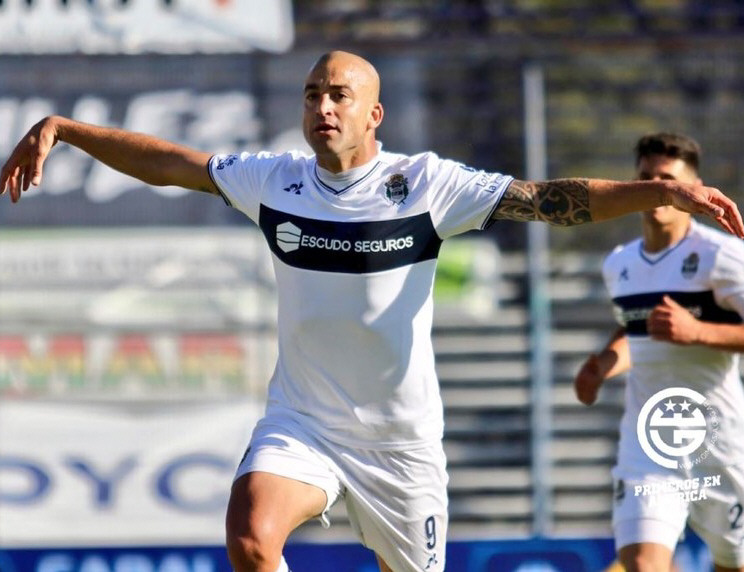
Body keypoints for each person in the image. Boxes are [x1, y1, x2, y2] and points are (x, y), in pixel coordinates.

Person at [2, 53, 742, 572]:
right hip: (304, 423)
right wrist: (67, 129)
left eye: (338, 95)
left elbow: (552, 201)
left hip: (401, 445)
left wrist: (657, 192)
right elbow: (172, 164)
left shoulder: (428, 186)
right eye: (311, 95)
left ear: (374, 113)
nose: (322, 107)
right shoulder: (273, 180)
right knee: (250, 538)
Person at [574, 132, 744, 572]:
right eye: (646, 178)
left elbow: (684, 330)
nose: (656, 188)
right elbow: (637, 332)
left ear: (695, 188)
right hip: (649, 442)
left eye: (668, 179)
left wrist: (698, 331)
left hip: (720, 444)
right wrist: (601, 367)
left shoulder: (723, 256)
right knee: (643, 564)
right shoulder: (619, 264)